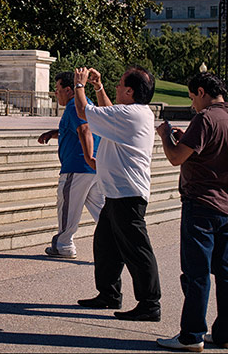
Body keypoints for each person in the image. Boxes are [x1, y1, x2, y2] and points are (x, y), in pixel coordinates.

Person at [155, 72, 228, 352]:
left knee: (197, 273)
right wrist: (187, 139)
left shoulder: (205, 118)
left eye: (193, 96)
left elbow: (175, 158)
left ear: (202, 91)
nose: (192, 102)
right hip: (227, 205)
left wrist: (165, 136)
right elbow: (210, 150)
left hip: (201, 204)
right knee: (227, 270)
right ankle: (225, 332)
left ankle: (191, 334)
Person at [74, 66, 162, 322]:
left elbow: (84, 112)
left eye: (120, 83)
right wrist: (98, 87)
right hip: (116, 194)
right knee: (105, 246)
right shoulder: (133, 112)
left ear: (130, 91)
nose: (116, 86)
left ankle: (149, 304)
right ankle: (109, 294)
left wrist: (79, 85)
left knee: (137, 250)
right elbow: (107, 112)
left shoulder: (132, 114)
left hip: (128, 196)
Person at [37, 71, 101, 259]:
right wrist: (54, 133)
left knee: (67, 206)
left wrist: (88, 156)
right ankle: (119, 241)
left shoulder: (74, 106)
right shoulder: (87, 103)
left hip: (77, 165)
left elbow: (84, 129)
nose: (56, 94)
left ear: (68, 89)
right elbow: (76, 129)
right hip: (92, 168)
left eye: (57, 90)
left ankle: (63, 245)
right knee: (102, 210)